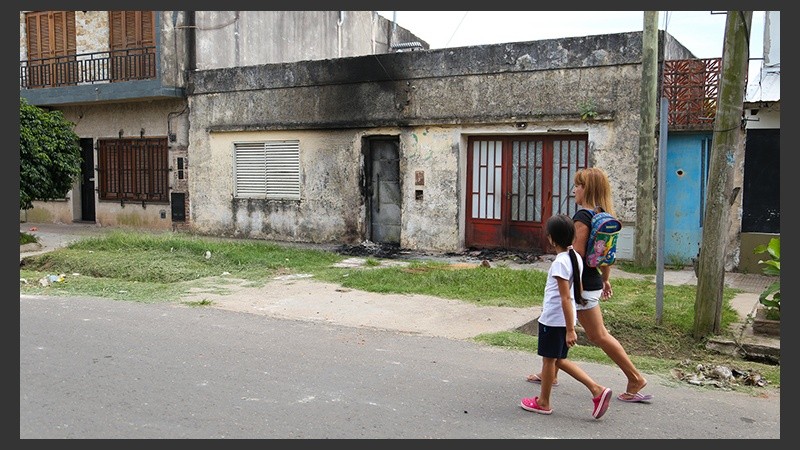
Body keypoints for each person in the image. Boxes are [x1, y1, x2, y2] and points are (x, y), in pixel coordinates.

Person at [526, 167, 653, 403]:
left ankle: (635, 377)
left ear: (587, 189)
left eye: (578, 185)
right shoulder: (603, 215)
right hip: (592, 280)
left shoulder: (582, 218)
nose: (574, 189)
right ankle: (549, 374)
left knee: (593, 334)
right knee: (568, 330)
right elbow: (607, 255)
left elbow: (577, 254)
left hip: (580, 286)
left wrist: (569, 289)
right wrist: (605, 279)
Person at [520, 214, 612, 419]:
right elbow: (575, 291)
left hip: (553, 320)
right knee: (557, 360)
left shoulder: (560, 263)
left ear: (551, 239)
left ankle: (545, 402)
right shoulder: (575, 258)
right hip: (561, 320)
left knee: (549, 361)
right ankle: (596, 390)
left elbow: (565, 298)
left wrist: (571, 329)